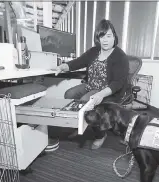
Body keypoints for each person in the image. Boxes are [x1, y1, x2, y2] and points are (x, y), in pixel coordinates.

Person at [55, 19, 129, 149]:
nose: (105, 40)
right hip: (91, 85)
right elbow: (78, 62)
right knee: (69, 94)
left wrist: (101, 94)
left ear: (114, 37)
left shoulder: (120, 56)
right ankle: (78, 124)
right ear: (97, 38)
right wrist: (64, 66)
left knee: (86, 102)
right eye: (102, 36)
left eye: (108, 36)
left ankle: (100, 135)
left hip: (108, 90)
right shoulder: (94, 51)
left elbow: (118, 83)